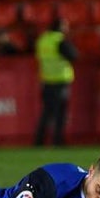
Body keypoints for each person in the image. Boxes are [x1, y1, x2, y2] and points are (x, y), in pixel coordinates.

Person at [32, 17, 76, 147]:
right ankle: (58, 141)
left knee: (46, 112)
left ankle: (39, 141)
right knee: (60, 113)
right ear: (61, 27)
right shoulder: (60, 41)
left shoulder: (42, 40)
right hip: (60, 80)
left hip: (46, 80)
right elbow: (74, 55)